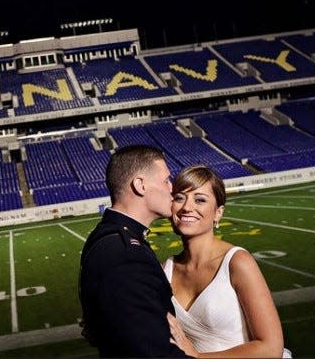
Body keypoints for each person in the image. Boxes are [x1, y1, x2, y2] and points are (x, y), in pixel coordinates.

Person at [164, 164, 290, 358]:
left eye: (200, 200)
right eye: (180, 198)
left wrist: (199, 358)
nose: (187, 207)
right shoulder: (166, 269)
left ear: (218, 213)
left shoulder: (237, 262)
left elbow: (271, 348)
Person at [79, 144, 188, 357]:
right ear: (140, 185)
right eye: (166, 180)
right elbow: (153, 351)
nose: (172, 188)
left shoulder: (109, 236)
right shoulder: (126, 254)